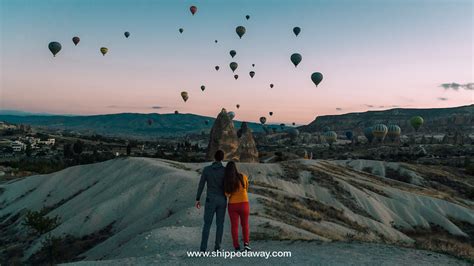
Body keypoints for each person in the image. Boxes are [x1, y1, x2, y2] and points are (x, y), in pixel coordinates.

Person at [195, 150, 227, 251]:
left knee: (207, 224)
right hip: (222, 199)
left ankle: (203, 248)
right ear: (222, 158)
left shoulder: (207, 170)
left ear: (214, 157)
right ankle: (218, 247)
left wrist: (198, 198)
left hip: (211, 199)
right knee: (220, 224)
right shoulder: (225, 170)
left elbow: (201, 185)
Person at [224, 161, 251, 251]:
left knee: (234, 226)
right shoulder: (243, 176)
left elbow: (227, 194)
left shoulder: (228, 180)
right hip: (244, 203)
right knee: (245, 225)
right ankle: (246, 244)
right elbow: (246, 188)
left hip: (233, 205)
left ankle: (236, 246)